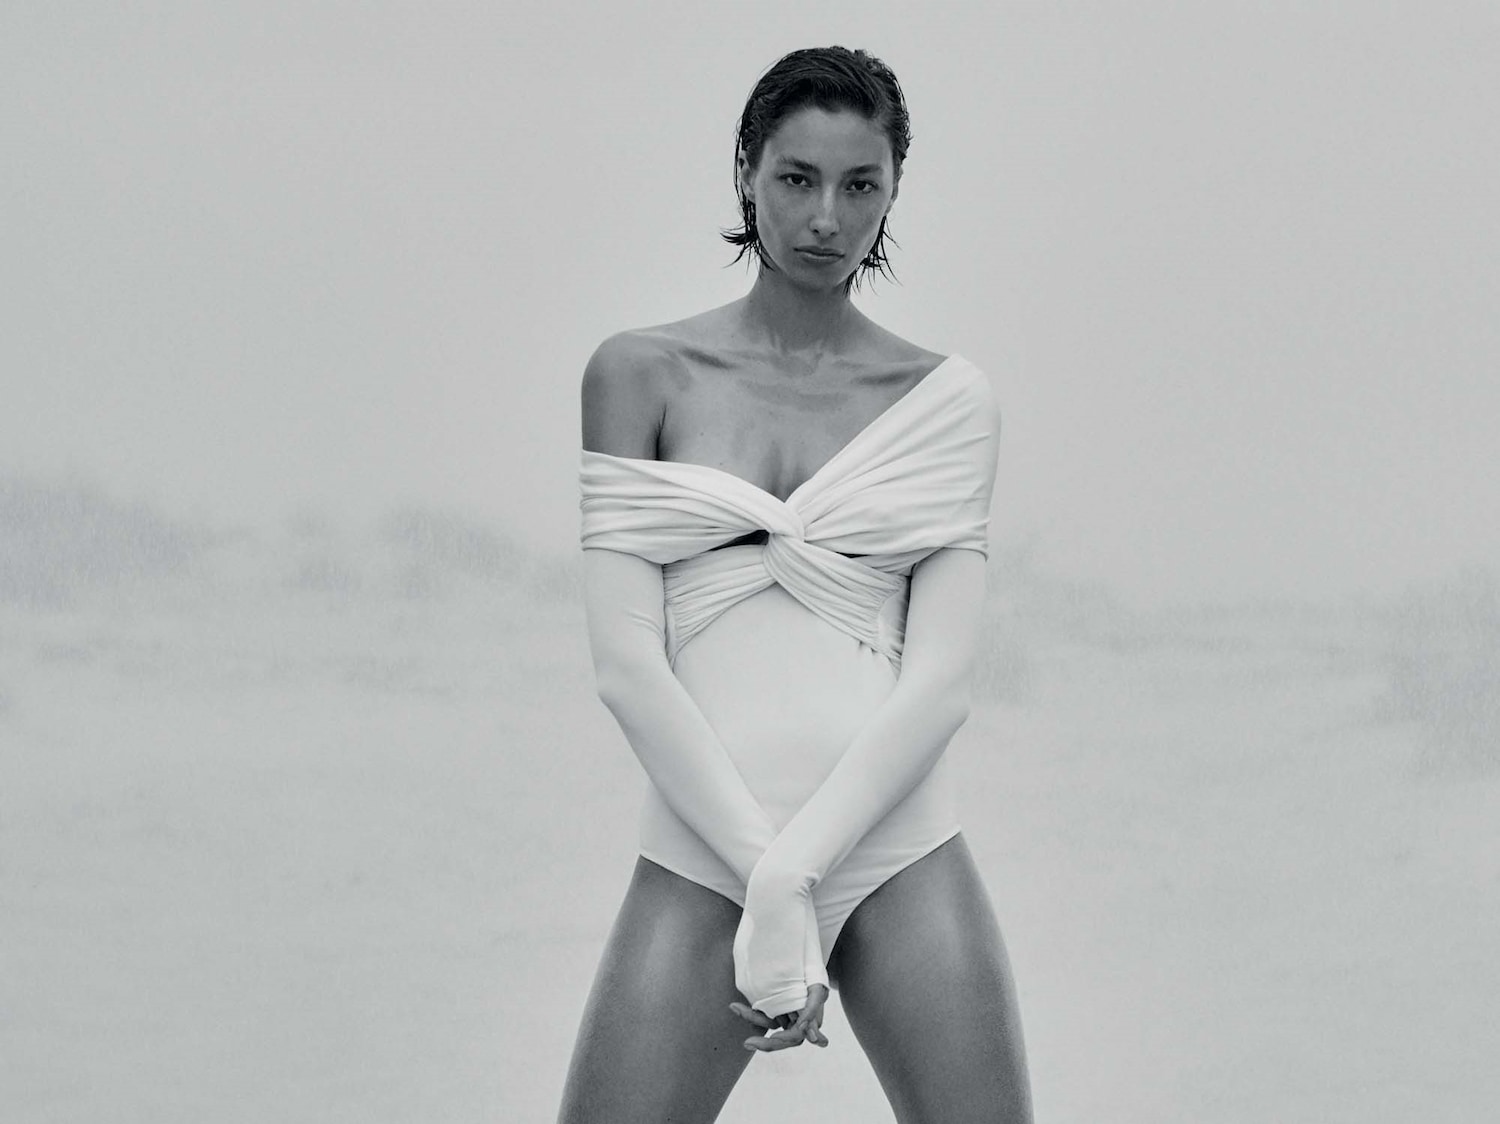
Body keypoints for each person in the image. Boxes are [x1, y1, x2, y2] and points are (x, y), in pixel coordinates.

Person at [558, 45, 1033, 1123]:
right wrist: (759, 875)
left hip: (898, 844)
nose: (827, 216)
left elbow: (942, 682)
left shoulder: (950, 402)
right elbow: (627, 666)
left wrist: (796, 876)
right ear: (746, 173)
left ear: (893, 193)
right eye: (797, 178)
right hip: (700, 848)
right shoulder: (637, 375)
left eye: (860, 185)